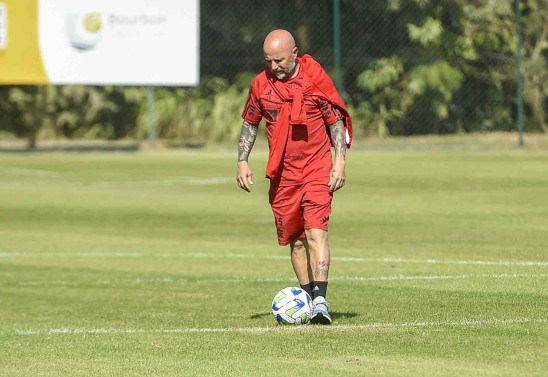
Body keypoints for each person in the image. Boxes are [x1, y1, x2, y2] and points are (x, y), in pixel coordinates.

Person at [236, 29, 352, 325]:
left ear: (294, 53)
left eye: (279, 60)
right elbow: (250, 123)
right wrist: (242, 160)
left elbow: (335, 122)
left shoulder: (314, 79)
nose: (273, 66)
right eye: (268, 60)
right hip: (282, 174)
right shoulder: (260, 85)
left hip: (315, 168)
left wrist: (339, 162)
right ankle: (309, 299)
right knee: (296, 241)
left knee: (316, 233)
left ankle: (322, 302)